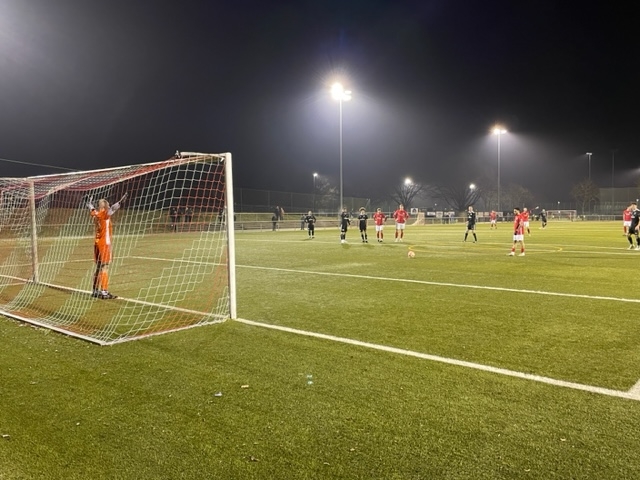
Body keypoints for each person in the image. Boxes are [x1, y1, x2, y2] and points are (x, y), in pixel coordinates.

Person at [87, 193, 128, 299]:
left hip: (97, 243)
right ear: (105, 206)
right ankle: (104, 292)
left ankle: (95, 290)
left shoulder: (95, 213)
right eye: (108, 205)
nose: (109, 206)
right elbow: (113, 208)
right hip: (104, 244)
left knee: (98, 267)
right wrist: (120, 202)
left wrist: (89, 203)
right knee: (105, 267)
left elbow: (91, 208)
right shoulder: (104, 214)